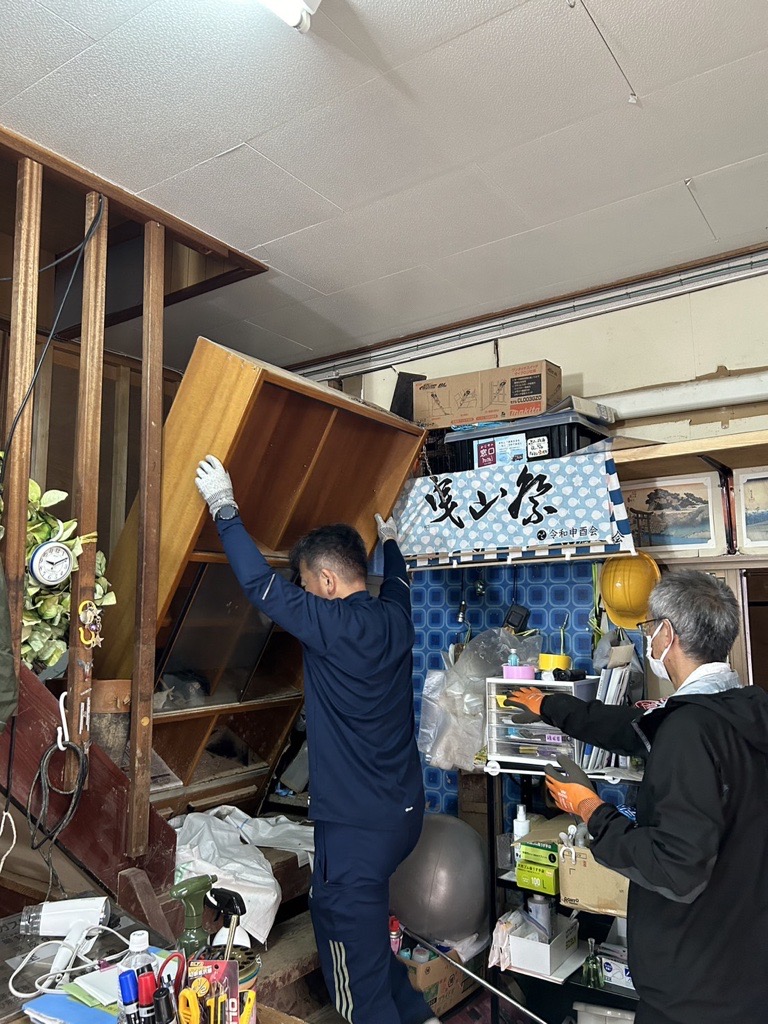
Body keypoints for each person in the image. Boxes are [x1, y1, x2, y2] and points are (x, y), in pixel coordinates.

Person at [195, 455, 438, 1024]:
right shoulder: (394, 620)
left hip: (355, 831)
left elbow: (258, 585)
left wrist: (224, 509)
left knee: (357, 985)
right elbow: (400, 580)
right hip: (403, 817)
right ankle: (422, 1016)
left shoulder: (332, 623)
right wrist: (393, 543)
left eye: (304, 583)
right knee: (354, 928)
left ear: (326, 582)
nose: (300, 594)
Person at [509, 569, 768, 1024]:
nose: (649, 639)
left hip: (693, 991)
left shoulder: (689, 731)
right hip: (746, 965)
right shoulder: (747, 709)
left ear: (667, 633)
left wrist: (589, 807)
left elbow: (675, 867)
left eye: (650, 628)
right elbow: (630, 727)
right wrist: (550, 705)